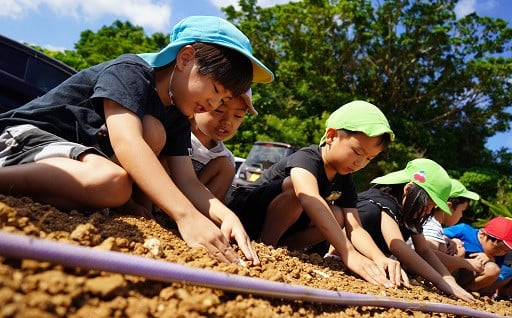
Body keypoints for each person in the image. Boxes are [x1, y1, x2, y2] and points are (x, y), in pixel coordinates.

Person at [0, 16, 274, 265]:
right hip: (23, 138)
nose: (213, 103)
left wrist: (227, 217)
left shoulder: (178, 114)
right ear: (185, 58)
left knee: (145, 142)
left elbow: (187, 180)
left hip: (74, 161)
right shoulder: (131, 72)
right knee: (112, 180)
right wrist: (186, 217)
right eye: (215, 90)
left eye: (223, 100)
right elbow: (128, 142)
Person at [228, 100, 404, 288]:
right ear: (331, 136)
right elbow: (308, 197)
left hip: (284, 229)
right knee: (299, 190)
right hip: (246, 216)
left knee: (337, 215)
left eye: (369, 158)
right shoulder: (307, 158)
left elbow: (356, 228)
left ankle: (284, 251)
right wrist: (348, 252)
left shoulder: (345, 180)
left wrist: (379, 258)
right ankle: (265, 250)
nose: (360, 163)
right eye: (357, 152)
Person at [352, 158, 475, 302]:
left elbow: (424, 250)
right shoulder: (384, 201)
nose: (428, 211)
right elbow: (397, 246)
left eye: (432, 207)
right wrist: (440, 282)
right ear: (409, 189)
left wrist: (448, 280)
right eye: (428, 204)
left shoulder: (409, 211)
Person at [190, 89, 254, 201]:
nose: (227, 121)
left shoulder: (225, 159)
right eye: (219, 110)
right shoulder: (176, 134)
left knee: (226, 167)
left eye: (238, 116)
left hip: (192, 206)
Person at [443, 216, 512, 298]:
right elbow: (439, 235)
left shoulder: (498, 254)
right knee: (459, 251)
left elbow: (495, 272)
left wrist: (491, 259)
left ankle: (467, 291)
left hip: (470, 276)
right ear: (483, 234)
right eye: (497, 248)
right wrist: (452, 241)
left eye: (506, 251)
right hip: (451, 270)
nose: (500, 253)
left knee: (494, 270)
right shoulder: (464, 230)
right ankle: (446, 284)